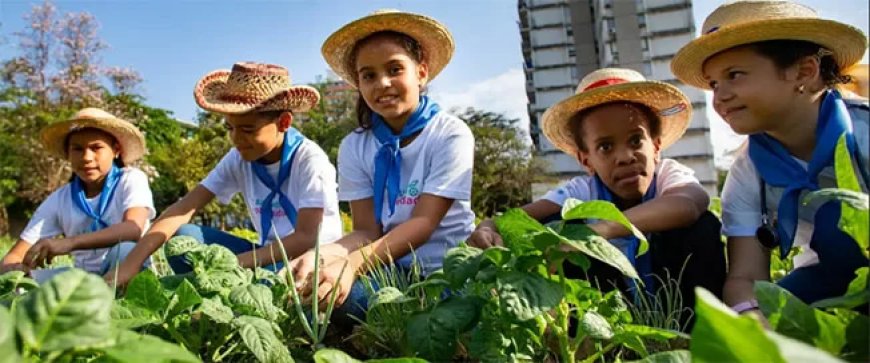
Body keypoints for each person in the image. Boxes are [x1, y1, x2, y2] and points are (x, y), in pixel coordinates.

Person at [671, 0, 869, 311]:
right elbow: (746, 277)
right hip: (826, 282)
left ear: (804, 71)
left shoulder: (864, 131)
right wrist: (752, 320)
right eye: (714, 84)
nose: (720, 96)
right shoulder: (748, 172)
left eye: (734, 75)